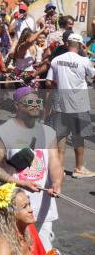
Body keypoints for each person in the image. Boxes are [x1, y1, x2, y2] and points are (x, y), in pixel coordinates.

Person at [0, 87, 63, 251]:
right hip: (14, 208)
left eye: (38, 101)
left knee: (42, 248)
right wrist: (20, 182)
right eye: (29, 102)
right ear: (17, 106)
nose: (35, 105)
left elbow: (55, 162)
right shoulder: (2, 133)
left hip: (42, 207)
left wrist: (57, 182)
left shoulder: (48, 132)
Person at [45, 32, 95, 178]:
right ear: (80, 45)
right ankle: (78, 168)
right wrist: (85, 53)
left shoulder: (56, 60)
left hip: (61, 102)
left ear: (67, 44)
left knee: (60, 136)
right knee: (78, 136)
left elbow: (48, 82)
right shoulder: (84, 61)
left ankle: (58, 169)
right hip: (79, 103)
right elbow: (93, 76)